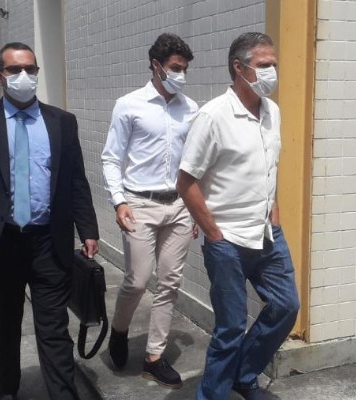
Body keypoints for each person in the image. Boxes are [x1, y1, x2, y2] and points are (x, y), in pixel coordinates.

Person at [0, 42, 99, 400]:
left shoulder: (62, 122)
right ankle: (8, 389)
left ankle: (63, 394)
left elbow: (75, 180)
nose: (23, 76)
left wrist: (88, 229)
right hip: (1, 244)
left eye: (30, 69)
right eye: (14, 70)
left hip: (49, 242)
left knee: (54, 328)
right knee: (7, 322)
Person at [177, 32, 300, 400]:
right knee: (230, 327)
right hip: (227, 239)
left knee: (286, 306)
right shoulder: (213, 116)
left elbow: (268, 167)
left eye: (274, 64)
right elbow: (186, 181)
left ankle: (244, 376)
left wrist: (274, 213)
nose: (272, 71)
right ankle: (212, 394)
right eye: (264, 65)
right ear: (239, 68)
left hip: (266, 233)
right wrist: (213, 234)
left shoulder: (272, 111)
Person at [101, 33, 198, 389]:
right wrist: (119, 201)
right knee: (138, 280)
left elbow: (196, 163)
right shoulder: (129, 105)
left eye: (184, 69)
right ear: (156, 66)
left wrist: (196, 208)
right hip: (139, 204)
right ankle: (119, 329)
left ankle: (154, 357)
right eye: (175, 67)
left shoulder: (191, 109)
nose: (180, 75)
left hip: (179, 206)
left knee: (170, 282)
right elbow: (111, 158)